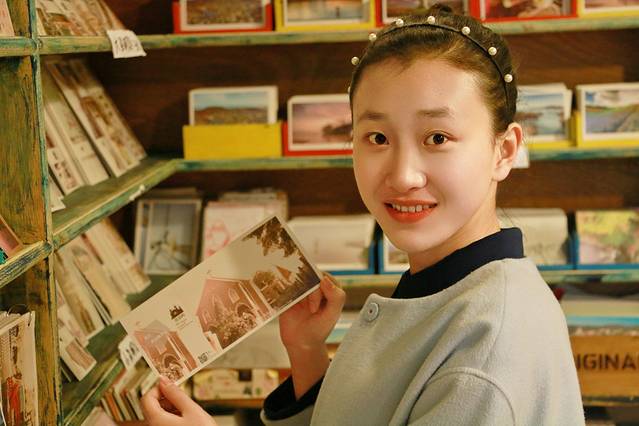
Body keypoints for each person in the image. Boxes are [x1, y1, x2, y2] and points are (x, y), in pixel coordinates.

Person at [142, 5, 585, 425]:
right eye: (377, 138)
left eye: (437, 138)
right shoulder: (444, 280)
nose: (403, 175)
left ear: (503, 151)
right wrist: (307, 352)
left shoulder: (486, 351)